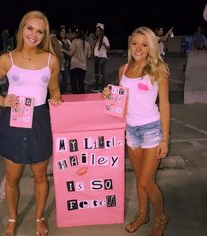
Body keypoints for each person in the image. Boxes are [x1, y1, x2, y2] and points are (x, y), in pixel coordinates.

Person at [0, 10, 61, 236]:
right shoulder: (7, 59)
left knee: (39, 175)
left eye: (39, 31)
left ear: (44, 35)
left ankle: (39, 217)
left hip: (39, 120)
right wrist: (1, 99)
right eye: (30, 28)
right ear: (21, 29)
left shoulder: (51, 60)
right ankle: (12, 218)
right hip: (13, 119)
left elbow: (54, 91)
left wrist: (55, 98)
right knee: (12, 177)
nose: (34, 34)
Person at [102, 26, 170, 236]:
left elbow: (165, 105)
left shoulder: (159, 69)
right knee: (140, 176)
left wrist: (165, 139)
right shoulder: (123, 69)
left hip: (151, 130)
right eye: (135, 43)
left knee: (145, 180)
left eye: (144, 44)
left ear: (151, 46)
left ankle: (160, 218)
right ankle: (143, 214)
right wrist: (108, 95)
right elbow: (121, 101)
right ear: (130, 45)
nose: (139, 48)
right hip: (130, 130)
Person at [61, 28, 92, 94]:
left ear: (76, 34)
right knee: (81, 83)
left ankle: (75, 98)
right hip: (83, 66)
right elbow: (89, 56)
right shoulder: (87, 43)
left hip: (74, 65)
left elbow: (70, 53)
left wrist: (63, 50)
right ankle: (82, 98)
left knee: (74, 84)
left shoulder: (75, 41)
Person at [92, 23, 110, 92]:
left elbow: (108, 47)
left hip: (102, 58)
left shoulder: (104, 38)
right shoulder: (96, 39)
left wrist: (104, 44)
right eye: (96, 31)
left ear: (101, 31)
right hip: (96, 57)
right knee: (96, 73)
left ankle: (102, 87)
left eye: (98, 31)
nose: (97, 32)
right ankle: (97, 87)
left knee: (102, 73)